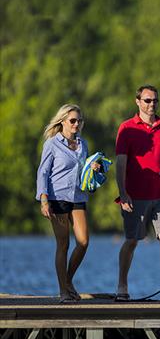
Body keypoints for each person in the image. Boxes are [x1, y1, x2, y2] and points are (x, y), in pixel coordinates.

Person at [114, 85, 160, 302]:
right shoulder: (126, 128)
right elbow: (120, 163)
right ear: (137, 102)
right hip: (136, 195)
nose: (151, 104)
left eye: (155, 101)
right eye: (147, 100)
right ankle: (122, 286)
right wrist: (122, 192)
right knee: (132, 240)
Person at [36, 104, 101, 302]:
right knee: (63, 244)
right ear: (63, 121)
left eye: (79, 121)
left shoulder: (83, 144)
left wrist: (94, 167)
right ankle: (63, 291)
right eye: (72, 120)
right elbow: (43, 172)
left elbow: (84, 170)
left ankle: (68, 281)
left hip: (78, 197)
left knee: (83, 242)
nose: (76, 124)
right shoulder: (52, 144)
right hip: (57, 197)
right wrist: (44, 199)